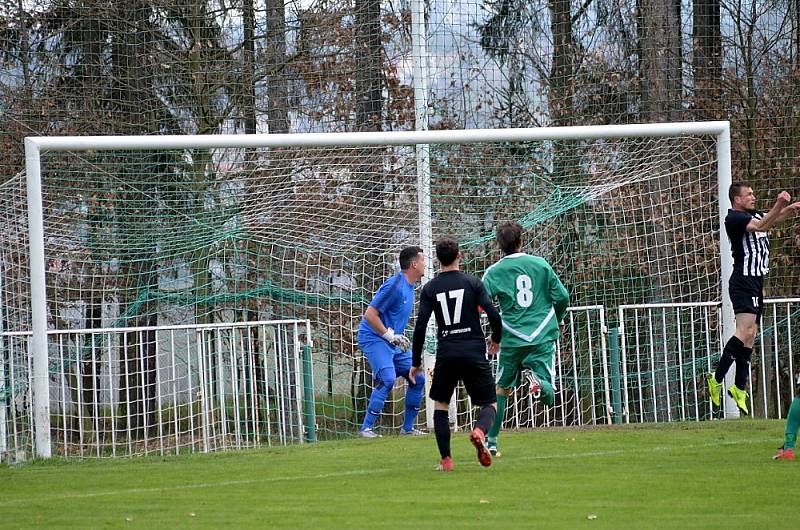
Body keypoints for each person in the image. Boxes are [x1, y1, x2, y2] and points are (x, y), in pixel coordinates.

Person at [409, 236, 503, 471]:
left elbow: (420, 326)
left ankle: (447, 460)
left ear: (437, 259)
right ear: (459, 255)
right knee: (490, 404)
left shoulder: (430, 288)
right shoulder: (473, 283)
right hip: (473, 350)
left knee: (441, 405)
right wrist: (496, 339)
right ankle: (480, 431)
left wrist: (415, 361)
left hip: (447, 352)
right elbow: (493, 315)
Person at [707, 184, 800, 416]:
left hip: (757, 281)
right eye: (748, 194)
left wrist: (791, 209)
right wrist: (779, 203)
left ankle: (739, 387)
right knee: (743, 331)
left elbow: (772, 220)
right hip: (743, 280)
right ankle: (716, 379)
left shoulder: (754, 213)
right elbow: (762, 225)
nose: (753, 197)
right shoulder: (735, 218)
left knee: (750, 336)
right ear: (736, 199)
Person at [482, 221, 569, 457]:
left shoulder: (493, 272)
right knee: (548, 394)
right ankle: (539, 384)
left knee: (501, 389)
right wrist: (557, 319)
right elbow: (562, 296)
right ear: (521, 240)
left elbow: (482, 305)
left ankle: (492, 442)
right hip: (540, 335)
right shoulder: (540, 265)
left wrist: (495, 332)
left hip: (511, 337)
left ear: (499, 245)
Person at [357, 246, 427, 438]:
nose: (425, 264)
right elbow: (370, 314)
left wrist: (395, 337)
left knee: (417, 377)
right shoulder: (394, 286)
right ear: (414, 264)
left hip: (392, 341)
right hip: (374, 337)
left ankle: (407, 429)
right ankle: (366, 429)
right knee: (388, 379)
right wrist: (390, 335)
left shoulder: (410, 286)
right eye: (423, 260)